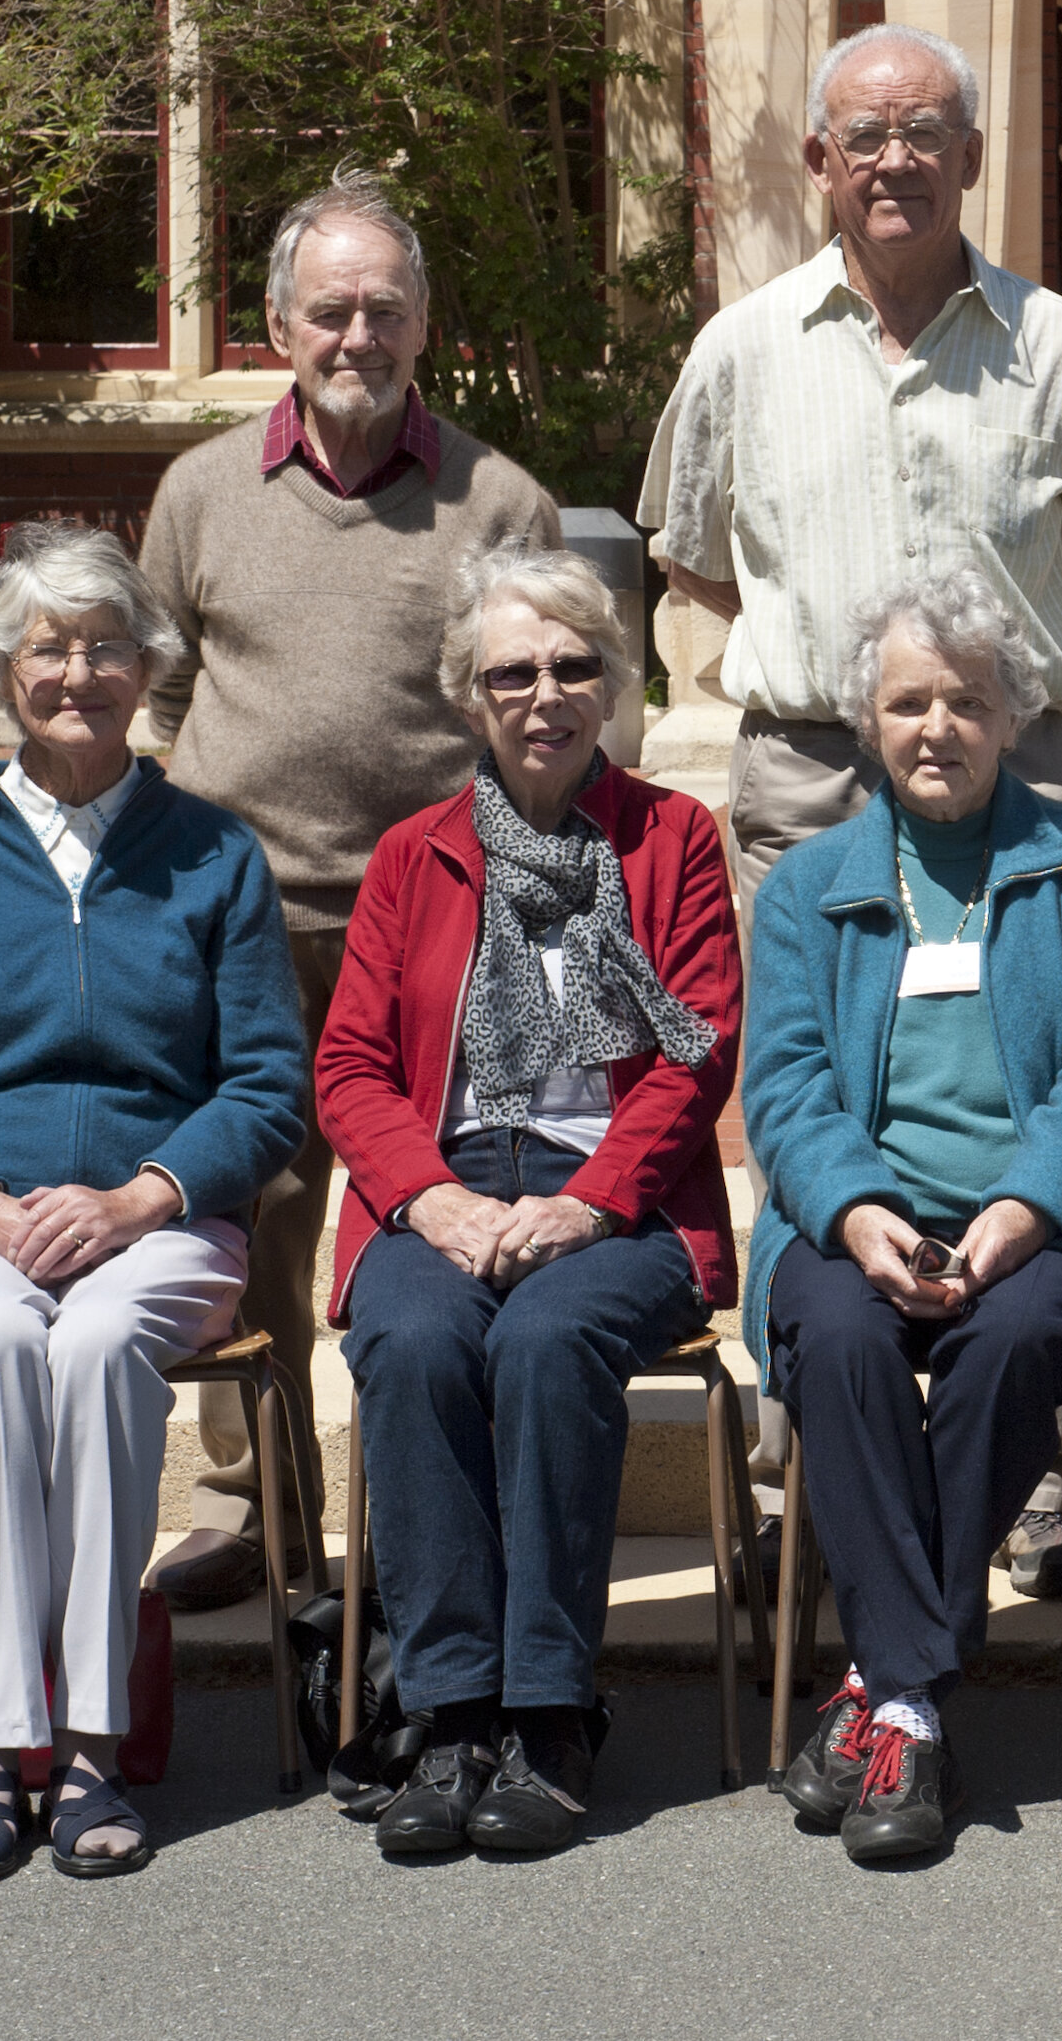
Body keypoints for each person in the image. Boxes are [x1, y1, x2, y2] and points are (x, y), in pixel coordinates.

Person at [637, 21, 1062, 1600]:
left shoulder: (1057, 348)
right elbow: (693, 554)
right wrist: (856, 678)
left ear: (973, 157)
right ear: (818, 161)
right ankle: (813, 1478)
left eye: (926, 131)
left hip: (1014, 779)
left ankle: (1033, 1490)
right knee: (816, 1096)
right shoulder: (744, 348)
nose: (894, 160)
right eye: (863, 135)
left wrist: (970, 688)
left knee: (1030, 1088)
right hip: (812, 771)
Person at [0, 524, 308, 1885]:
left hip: (160, 1224)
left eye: (107, 647)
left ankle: (93, 1740)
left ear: (150, 670)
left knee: (96, 1346)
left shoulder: (213, 855)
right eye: (49, 648)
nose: (79, 674)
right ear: (3, 671)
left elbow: (268, 1087)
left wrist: (142, 1198)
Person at [135, 168, 564, 1611]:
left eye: (385, 309)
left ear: (426, 324)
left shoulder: (498, 500)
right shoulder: (200, 494)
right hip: (243, 926)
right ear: (278, 327)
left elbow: (552, 710)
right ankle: (256, 1512)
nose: (357, 336)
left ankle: (428, 1532)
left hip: (439, 929)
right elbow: (161, 692)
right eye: (330, 311)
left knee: (434, 1227)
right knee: (249, 1223)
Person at [742, 568, 1062, 1864]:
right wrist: (856, 1212)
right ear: (866, 719)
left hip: (1054, 1223)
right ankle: (914, 1701)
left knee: (1010, 1339)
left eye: (969, 701)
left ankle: (884, 1694)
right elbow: (784, 1085)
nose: (937, 727)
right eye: (908, 702)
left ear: (1012, 714)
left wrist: (1022, 1208)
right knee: (840, 1336)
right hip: (858, 1219)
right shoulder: (807, 885)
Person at [312, 541, 742, 1859]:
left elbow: (696, 1048)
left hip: (622, 1197)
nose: (545, 695)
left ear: (611, 683)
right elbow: (349, 1067)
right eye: (513, 672)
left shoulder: (671, 838)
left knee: (550, 1340)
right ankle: (450, 1715)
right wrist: (428, 1199)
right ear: (469, 694)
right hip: (442, 1183)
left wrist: (593, 1202)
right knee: (416, 1338)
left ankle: (550, 1713)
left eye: (572, 666)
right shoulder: (413, 856)